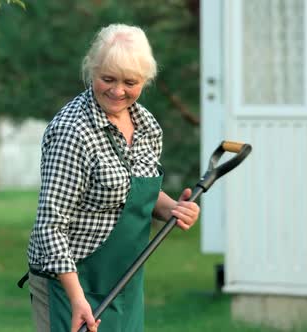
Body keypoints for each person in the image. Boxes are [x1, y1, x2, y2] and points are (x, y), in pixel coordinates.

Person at [22, 23, 200, 332]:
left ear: (145, 80)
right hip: (70, 284)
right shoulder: (73, 131)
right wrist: (77, 298)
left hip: (124, 281)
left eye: (130, 82)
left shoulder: (147, 126)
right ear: (92, 70)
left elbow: (132, 190)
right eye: (108, 79)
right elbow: (50, 225)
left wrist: (171, 207)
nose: (118, 91)